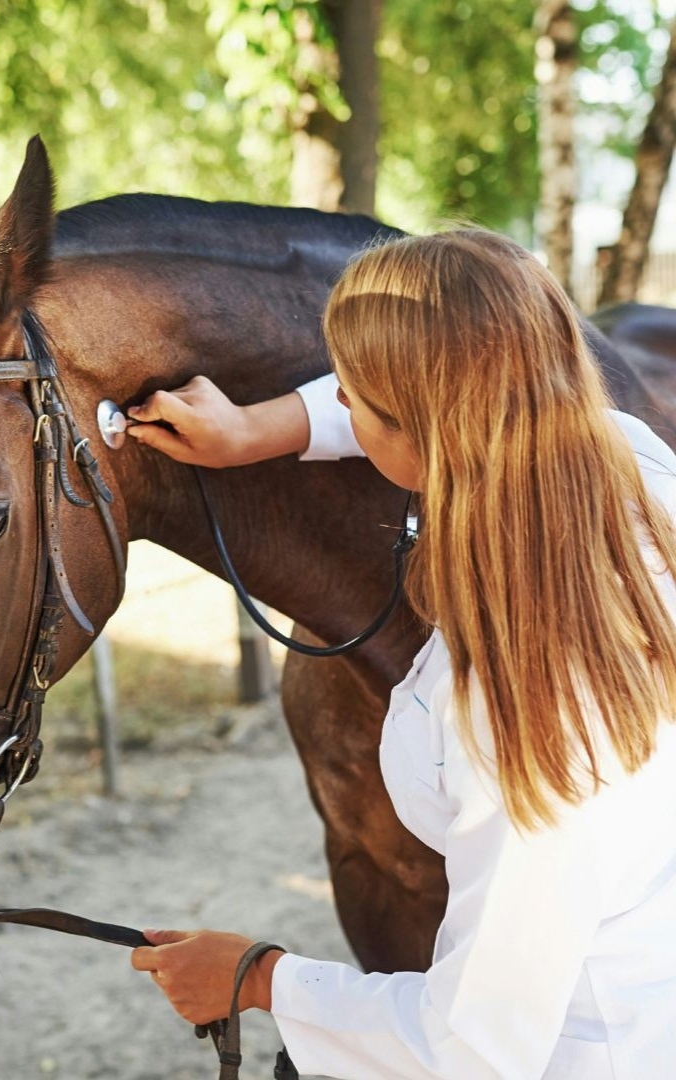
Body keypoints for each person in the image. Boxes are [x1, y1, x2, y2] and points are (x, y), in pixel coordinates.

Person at [121, 228, 676, 1078]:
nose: (335, 398)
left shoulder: (522, 703)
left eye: (351, 391)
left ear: (424, 433)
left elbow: (479, 1045)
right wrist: (248, 431)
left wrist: (262, 978)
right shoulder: (629, 463)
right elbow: (449, 387)